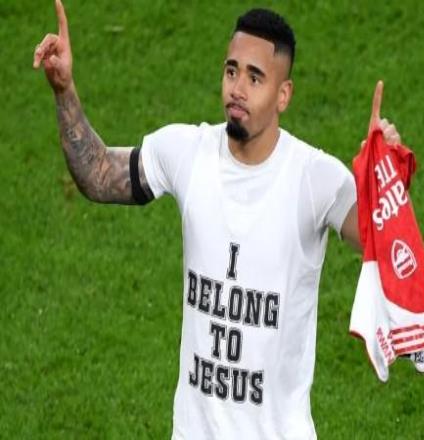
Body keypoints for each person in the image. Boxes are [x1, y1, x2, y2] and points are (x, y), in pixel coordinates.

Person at [34, 2, 402, 439]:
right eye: (232, 71)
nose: (237, 88)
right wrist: (64, 89)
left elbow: (380, 240)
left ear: (283, 95)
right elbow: (97, 175)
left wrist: (386, 174)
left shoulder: (315, 178)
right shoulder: (186, 152)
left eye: (255, 77)